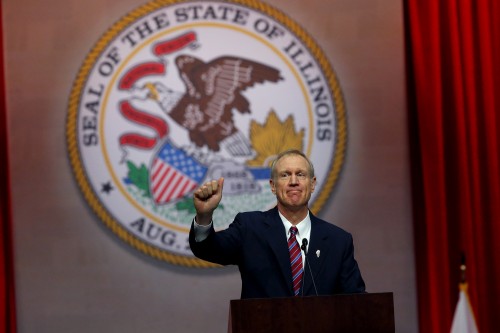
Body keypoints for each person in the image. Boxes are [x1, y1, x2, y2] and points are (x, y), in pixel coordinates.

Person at [189, 149, 365, 298]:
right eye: (285, 175)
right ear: (273, 186)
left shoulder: (338, 241)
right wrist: (204, 216)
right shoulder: (250, 227)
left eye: (301, 174)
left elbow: (356, 304)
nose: (293, 181)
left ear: (312, 184)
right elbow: (208, 249)